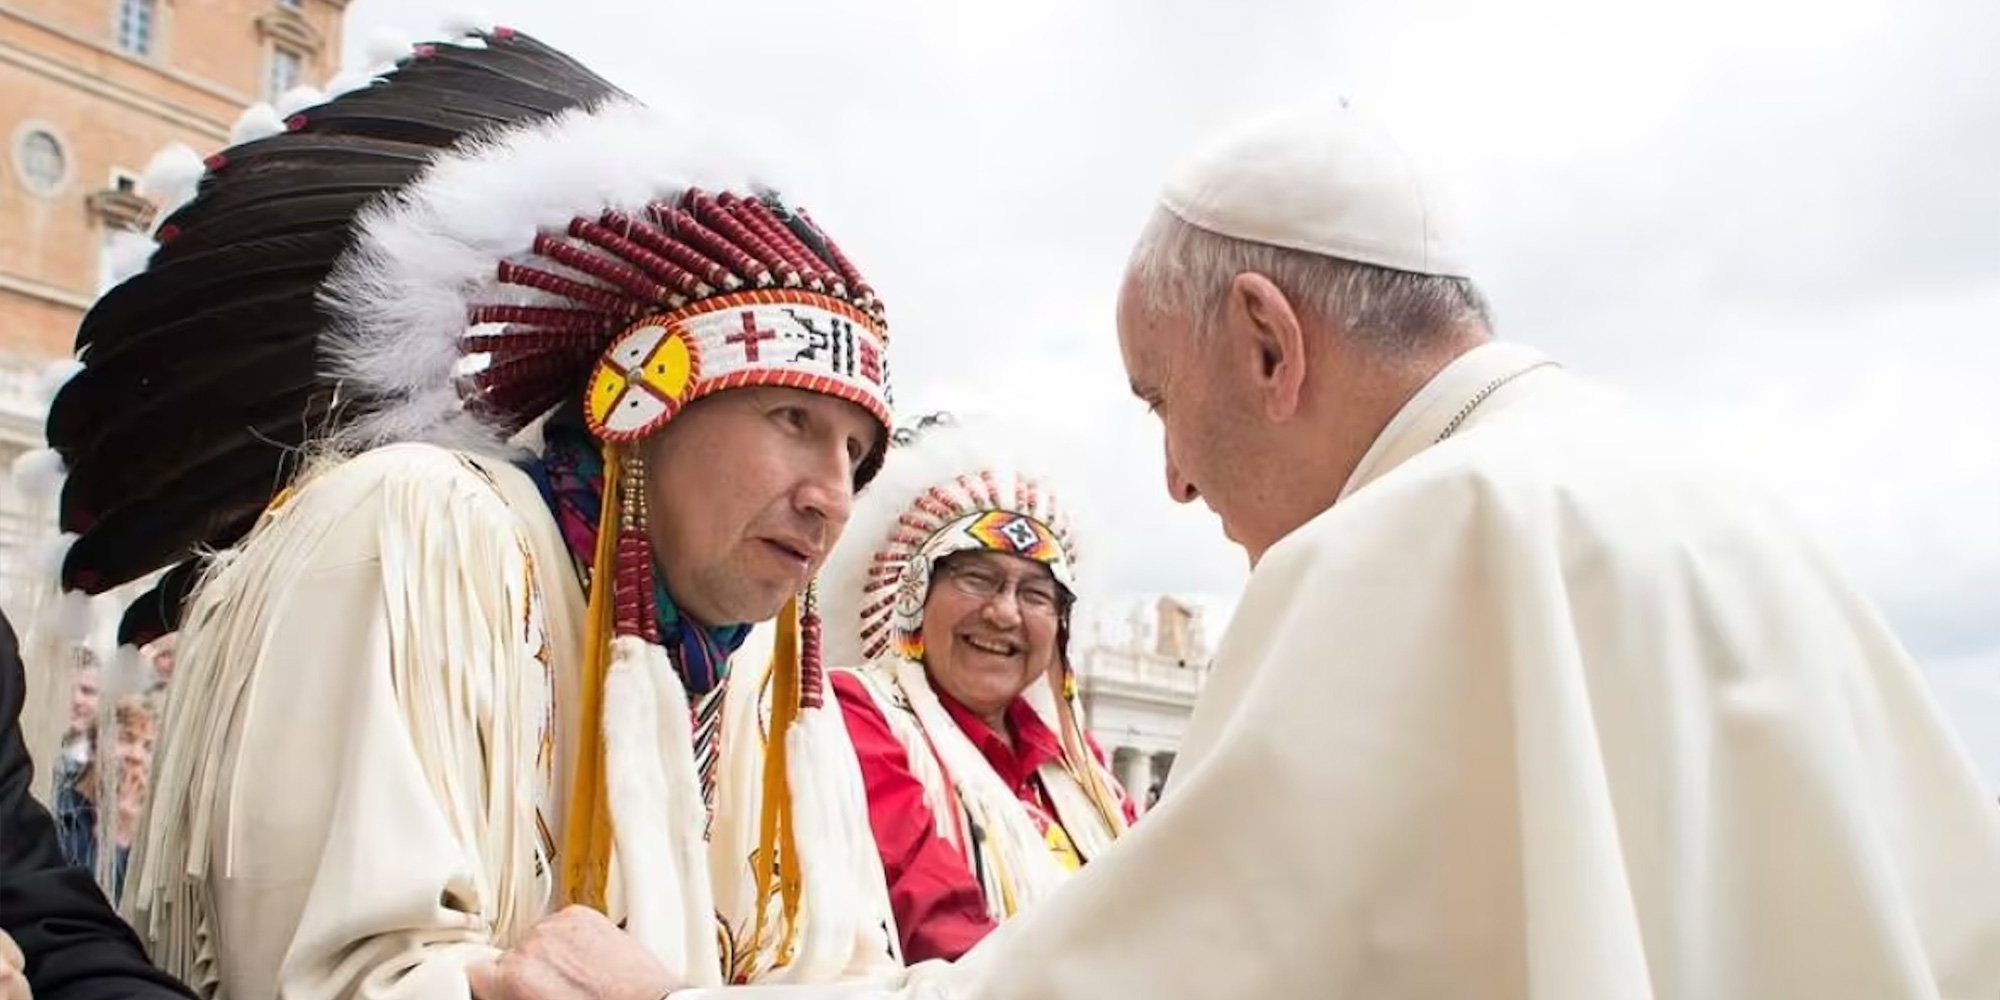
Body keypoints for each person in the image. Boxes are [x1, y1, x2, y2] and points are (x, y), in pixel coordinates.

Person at [628, 102, 2000, 1000]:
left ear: (1270, 342)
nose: (1170, 473)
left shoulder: (1417, 542)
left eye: (1163, 401)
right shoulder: (1719, 499)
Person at [44, 27, 907, 999]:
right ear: (643, 403)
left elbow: (856, 973)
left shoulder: (763, 676)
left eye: (856, 454)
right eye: (791, 417)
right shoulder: (420, 527)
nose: (830, 494)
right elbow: (339, 968)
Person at [818, 416, 1133, 963]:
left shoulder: (1078, 765)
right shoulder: (858, 715)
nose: (1004, 613)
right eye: (976, 578)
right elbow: (934, 919)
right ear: (914, 592)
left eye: (1036, 593)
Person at [0, 610, 194, 1000]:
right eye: (126, 742)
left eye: (146, 747)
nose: (135, 757)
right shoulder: (68, 800)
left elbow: (38, 911)